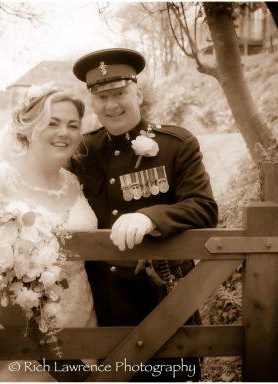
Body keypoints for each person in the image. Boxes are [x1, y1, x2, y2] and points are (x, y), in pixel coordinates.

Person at [72, 48, 218, 381]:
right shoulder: (83, 151)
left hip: (162, 296)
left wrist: (150, 217)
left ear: (138, 92)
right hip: (101, 301)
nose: (112, 104)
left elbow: (204, 207)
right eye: (101, 96)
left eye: (120, 93)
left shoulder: (176, 144)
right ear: (92, 102)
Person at [0, 85, 97, 381]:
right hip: (11, 323)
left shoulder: (74, 181)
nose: (64, 132)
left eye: (73, 125)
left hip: (80, 314)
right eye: (53, 122)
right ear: (28, 127)